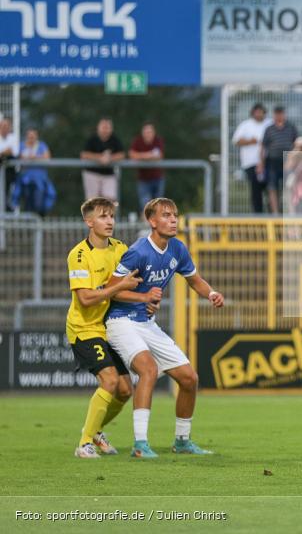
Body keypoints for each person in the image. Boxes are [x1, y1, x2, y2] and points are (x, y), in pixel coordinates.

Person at [105, 198, 225, 458]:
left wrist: (212, 293)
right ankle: (140, 445)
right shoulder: (138, 251)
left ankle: (182, 441)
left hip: (146, 323)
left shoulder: (178, 249)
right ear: (152, 221)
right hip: (121, 321)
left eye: (175, 214)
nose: (173, 220)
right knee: (148, 370)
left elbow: (194, 279)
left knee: (189, 378)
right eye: (166, 215)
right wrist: (143, 298)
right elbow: (110, 291)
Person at [66, 197, 144, 458]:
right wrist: (119, 287)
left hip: (109, 326)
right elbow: (85, 299)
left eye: (111, 215)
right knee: (110, 381)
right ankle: (84, 443)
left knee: (124, 390)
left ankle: (96, 430)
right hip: (84, 328)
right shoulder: (79, 255)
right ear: (89, 222)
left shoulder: (120, 248)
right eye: (102, 216)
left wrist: (145, 299)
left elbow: (133, 284)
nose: (110, 221)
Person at [258, 106, 298, 214]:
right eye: (277, 113)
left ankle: (291, 211)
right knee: (272, 187)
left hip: (288, 162)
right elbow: (262, 147)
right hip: (272, 162)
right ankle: (275, 213)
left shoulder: (291, 127)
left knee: (289, 187)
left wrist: (292, 159)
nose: (279, 115)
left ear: (284, 114)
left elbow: (296, 145)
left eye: (281, 113)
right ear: (274, 115)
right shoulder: (269, 129)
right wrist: (261, 164)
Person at [232, 103, 271, 214]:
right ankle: (258, 216)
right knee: (256, 191)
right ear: (252, 113)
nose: (259, 114)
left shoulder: (269, 123)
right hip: (251, 163)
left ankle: (273, 216)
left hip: (267, 162)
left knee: (271, 190)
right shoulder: (245, 125)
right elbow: (236, 141)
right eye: (256, 111)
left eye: (261, 111)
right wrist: (251, 141)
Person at [11, 128, 56, 216]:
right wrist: (35, 158)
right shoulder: (21, 145)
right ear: (26, 137)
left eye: (33, 136)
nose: (31, 139)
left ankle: (38, 221)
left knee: (40, 201)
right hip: (25, 180)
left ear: (36, 136)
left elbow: (47, 157)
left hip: (40, 180)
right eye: (29, 136)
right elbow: (19, 156)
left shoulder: (42, 145)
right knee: (28, 201)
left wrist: (33, 158)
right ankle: (30, 223)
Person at [80, 117, 124, 202]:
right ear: (98, 127)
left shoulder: (115, 140)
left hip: (108, 174)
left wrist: (110, 158)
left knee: (109, 202)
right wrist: (100, 158)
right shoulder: (92, 139)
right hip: (92, 173)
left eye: (108, 127)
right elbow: (84, 155)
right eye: (104, 127)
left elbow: (121, 155)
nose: (105, 130)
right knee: (92, 203)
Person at [129, 122, 165, 211]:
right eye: (146, 132)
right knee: (145, 205)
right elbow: (132, 155)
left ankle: (157, 225)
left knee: (158, 206)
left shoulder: (158, 140)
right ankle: (146, 224)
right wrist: (150, 155)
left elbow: (159, 156)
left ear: (154, 132)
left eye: (150, 132)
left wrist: (141, 157)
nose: (148, 134)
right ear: (142, 133)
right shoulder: (137, 140)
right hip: (143, 179)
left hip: (157, 178)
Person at [0, 117, 17, 207]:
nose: (5, 129)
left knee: (7, 193)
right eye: (3, 126)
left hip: (8, 172)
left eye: (7, 126)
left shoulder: (13, 138)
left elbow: (13, 152)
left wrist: (2, 153)